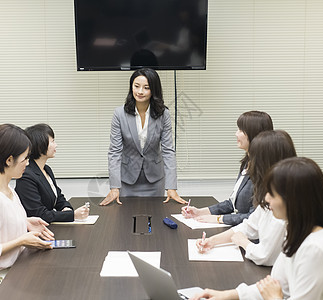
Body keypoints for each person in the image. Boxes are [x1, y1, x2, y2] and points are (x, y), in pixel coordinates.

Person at [191, 157, 323, 300]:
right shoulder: (296, 231)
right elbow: (275, 284)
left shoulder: (315, 247)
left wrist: (274, 298)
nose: (266, 200)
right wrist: (225, 295)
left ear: (293, 200)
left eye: (272, 194)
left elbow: (275, 293)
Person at [0, 124, 54, 299]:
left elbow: (2, 223)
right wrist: (21, 240)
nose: (28, 163)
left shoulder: (7, 189)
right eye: (24, 159)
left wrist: (26, 222)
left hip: (13, 268)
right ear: (9, 160)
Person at [196, 130, 297, 266]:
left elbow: (265, 256)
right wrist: (212, 241)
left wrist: (242, 241)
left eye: (254, 158)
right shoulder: (271, 193)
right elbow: (249, 226)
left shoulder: (283, 205)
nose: (251, 163)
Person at [100, 68, 186, 205]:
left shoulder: (164, 114)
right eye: (136, 86)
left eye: (146, 87)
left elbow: (168, 151)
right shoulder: (119, 114)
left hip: (155, 180)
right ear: (131, 87)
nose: (140, 91)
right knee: (125, 220)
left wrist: (171, 187)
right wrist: (114, 187)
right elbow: (114, 152)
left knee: (155, 220)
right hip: (127, 180)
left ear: (154, 90)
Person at [181, 111, 273, 226]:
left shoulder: (264, 170)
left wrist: (220, 219)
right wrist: (200, 212)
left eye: (241, 130)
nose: (236, 134)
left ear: (254, 134)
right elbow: (232, 203)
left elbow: (254, 216)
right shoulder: (247, 163)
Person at [15, 123, 89, 223]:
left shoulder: (47, 169)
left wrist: (66, 208)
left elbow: (58, 197)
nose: (56, 145)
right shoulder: (26, 175)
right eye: (52, 141)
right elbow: (38, 214)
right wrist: (73, 215)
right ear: (40, 146)